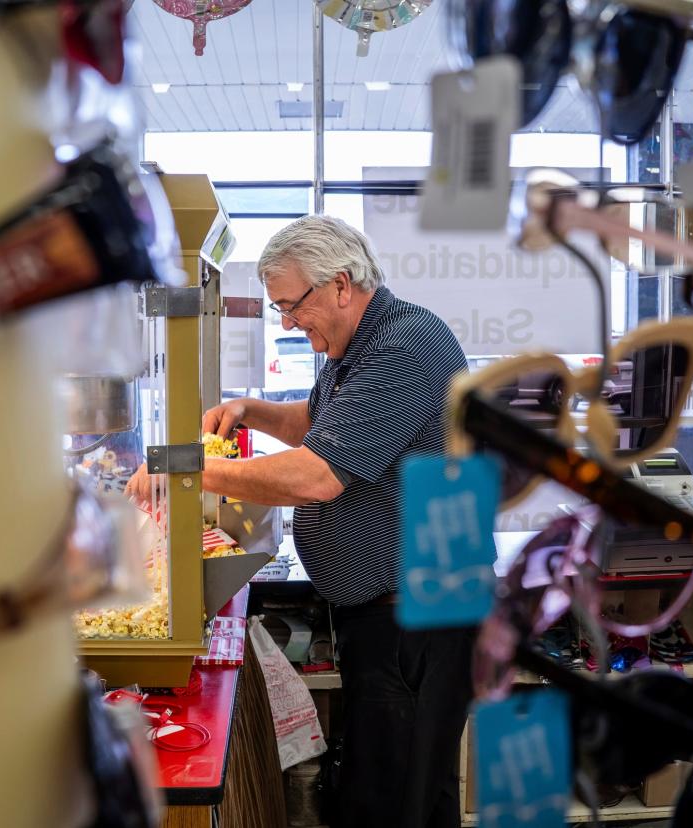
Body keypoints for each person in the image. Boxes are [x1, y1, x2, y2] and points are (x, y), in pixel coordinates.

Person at [127, 214, 472, 828]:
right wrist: (250, 409)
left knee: (390, 801)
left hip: (418, 616)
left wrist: (186, 471)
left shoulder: (403, 348)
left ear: (341, 284)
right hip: (388, 610)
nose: (287, 322)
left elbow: (318, 476)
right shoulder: (356, 343)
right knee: (414, 788)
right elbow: (317, 424)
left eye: (292, 306)